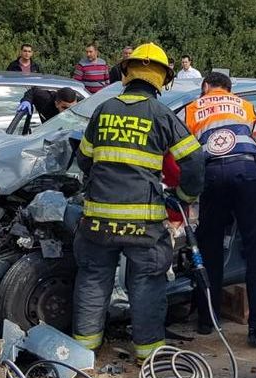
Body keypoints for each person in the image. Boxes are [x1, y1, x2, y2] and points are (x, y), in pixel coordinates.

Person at [72, 43, 205, 361]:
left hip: (97, 220)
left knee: (93, 277)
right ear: (163, 79)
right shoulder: (161, 114)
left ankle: (84, 350)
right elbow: (195, 160)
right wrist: (186, 197)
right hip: (142, 224)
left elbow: (83, 159)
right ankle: (147, 352)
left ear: (126, 73)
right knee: (146, 281)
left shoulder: (103, 110)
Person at [184, 72, 256, 346]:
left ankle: (207, 320)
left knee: (208, 248)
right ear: (229, 89)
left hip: (211, 175)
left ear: (206, 87)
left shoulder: (192, 108)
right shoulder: (245, 105)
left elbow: (187, 153)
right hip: (248, 172)